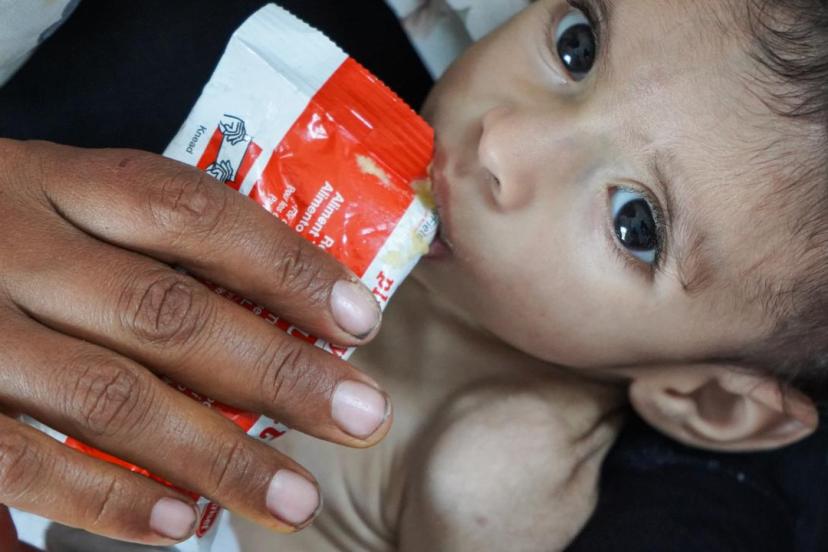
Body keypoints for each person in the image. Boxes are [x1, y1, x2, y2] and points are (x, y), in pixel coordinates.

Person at [3, 0, 828, 551]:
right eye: (577, 45)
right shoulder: (320, 175)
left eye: (634, 223)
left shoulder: (499, 461)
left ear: (707, 400)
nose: (503, 138)